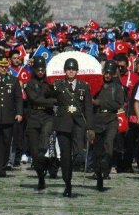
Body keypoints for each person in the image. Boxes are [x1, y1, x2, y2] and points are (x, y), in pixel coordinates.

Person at [53, 57, 94, 197]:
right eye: (68, 69)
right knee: (65, 156)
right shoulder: (58, 85)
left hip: (78, 124)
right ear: (65, 70)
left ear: (77, 71)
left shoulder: (84, 86)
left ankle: (77, 163)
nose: (71, 71)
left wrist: (90, 126)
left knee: (78, 154)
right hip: (63, 123)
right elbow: (50, 100)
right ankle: (67, 183)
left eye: (73, 69)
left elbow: (88, 107)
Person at [92, 60, 125, 191]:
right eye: (106, 72)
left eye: (110, 73)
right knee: (97, 149)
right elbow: (90, 100)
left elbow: (118, 104)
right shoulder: (97, 85)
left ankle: (106, 164)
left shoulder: (117, 87)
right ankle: (98, 174)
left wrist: (100, 102)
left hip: (111, 118)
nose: (107, 75)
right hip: (97, 118)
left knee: (109, 142)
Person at [25, 56, 56, 191]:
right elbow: (35, 99)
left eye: (42, 69)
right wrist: (51, 101)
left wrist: (53, 93)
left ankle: (45, 157)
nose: (40, 72)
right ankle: (41, 176)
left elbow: (56, 96)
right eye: (38, 69)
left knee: (44, 138)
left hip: (47, 116)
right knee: (35, 153)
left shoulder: (50, 83)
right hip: (34, 116)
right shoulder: (30, 84)